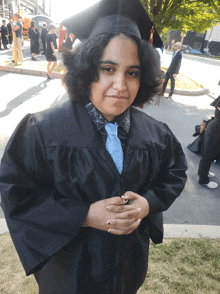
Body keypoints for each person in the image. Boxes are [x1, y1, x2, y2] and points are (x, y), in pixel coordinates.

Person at [0, 0, 187, 293]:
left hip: (128, 269)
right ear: (87, 69)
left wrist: (149, 203)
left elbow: (174, 173)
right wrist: (83, 215)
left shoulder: (156, 133)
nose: (121, 85)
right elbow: (16, 193)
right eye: (108, 68)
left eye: (133, 72)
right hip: (69, 273)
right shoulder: (43, 130)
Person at [197, 95, 220, 189]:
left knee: (211, 154)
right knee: (208, 154)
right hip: (215, 130)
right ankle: (203, 180)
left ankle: (203, 172)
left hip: (216, 129)